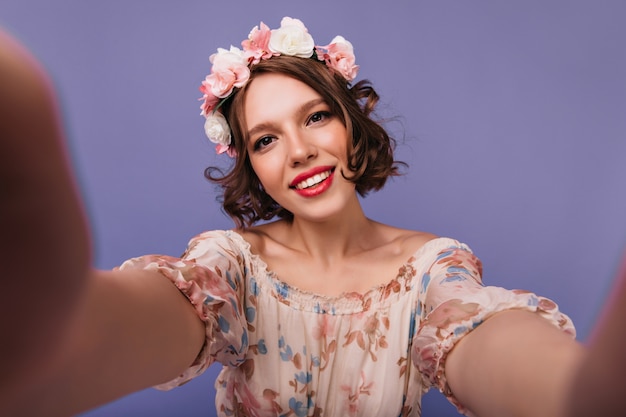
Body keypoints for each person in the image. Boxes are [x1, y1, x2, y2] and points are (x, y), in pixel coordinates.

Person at [0, 16, 624, 417]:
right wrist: (60, 346)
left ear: (353, 128)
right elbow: (144, 321)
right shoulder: (233, 267)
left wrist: (576, 396)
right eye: (266, 140)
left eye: (315, 117)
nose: (298, 150)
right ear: (254, 166)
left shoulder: (429, 271)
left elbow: (489, 345)